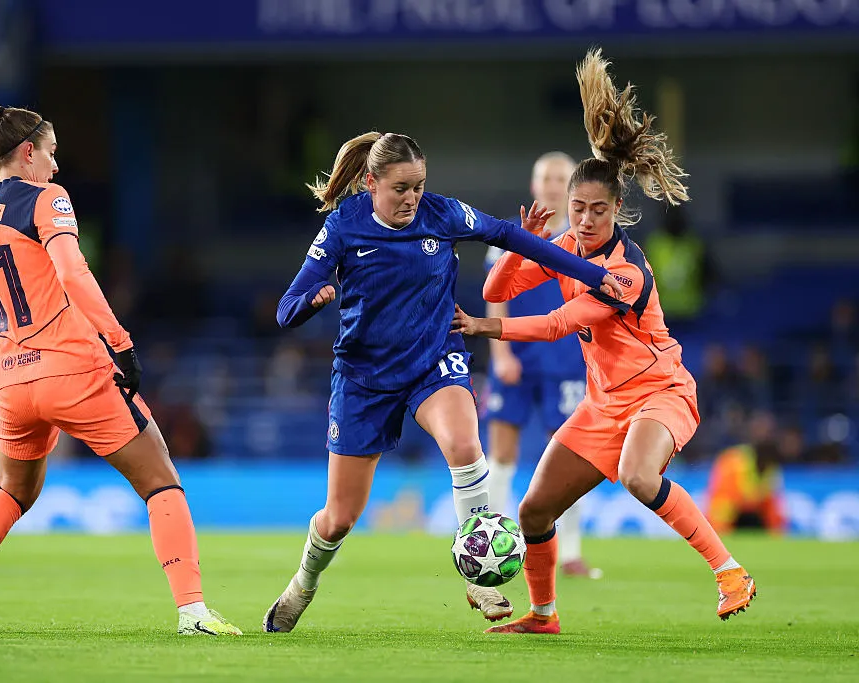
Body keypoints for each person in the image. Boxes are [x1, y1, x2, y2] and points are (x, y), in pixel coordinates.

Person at [0, 103, 240, 636]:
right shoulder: (46, 200)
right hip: (72, 370)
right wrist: (120, 343)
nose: (55, 165)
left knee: (12, 491)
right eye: (50, 153)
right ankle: (192, 612)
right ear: (27, 152)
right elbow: (73, 272)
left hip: (8, 381)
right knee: (162, 483)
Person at [263, 130, 626, 633]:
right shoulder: (343, 227)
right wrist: (314, 300)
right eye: (400, 188)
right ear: (371, 183)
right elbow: (285, 310)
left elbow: (509, 236)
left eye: (418, 185)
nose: (412, 197)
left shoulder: (442, 213)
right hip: (364, 379)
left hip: (433, 360)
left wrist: (586, 272)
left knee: (463, 443)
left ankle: (477, 572)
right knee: (339, 518)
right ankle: (303, 584)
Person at [451, 49, 756, 634]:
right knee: (534, 511)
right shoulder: (565, 245)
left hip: (658, 392)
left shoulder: (627, 273)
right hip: (603, 402)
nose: (586, 219)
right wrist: (523, 244)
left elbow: (561, 323)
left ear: (619, 210)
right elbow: (496, 284)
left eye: (597, 210)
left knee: (640, 477)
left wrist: (486, 326)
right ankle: (543, 616)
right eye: (578, 208)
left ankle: (729, 570)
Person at [484, 152, 600, 579]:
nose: (552, 184)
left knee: (569, 457)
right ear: (534, 186)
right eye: (545, 177)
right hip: (514, 356)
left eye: (560, 177)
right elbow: (496, 293)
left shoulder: (584, 239)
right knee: (501, 454)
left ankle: (569, 551)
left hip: (565, 360)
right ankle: (499, 548)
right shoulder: (510, 234)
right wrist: (500, 354)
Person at [706, 412, 787, 535]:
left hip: (752, 520)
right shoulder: (734, 462)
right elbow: (722, 504)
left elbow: (771, 507)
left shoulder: (772, 468)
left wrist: (776, 534)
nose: (765, 436)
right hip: (728, 520)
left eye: (769, 432)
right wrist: (720, 536)